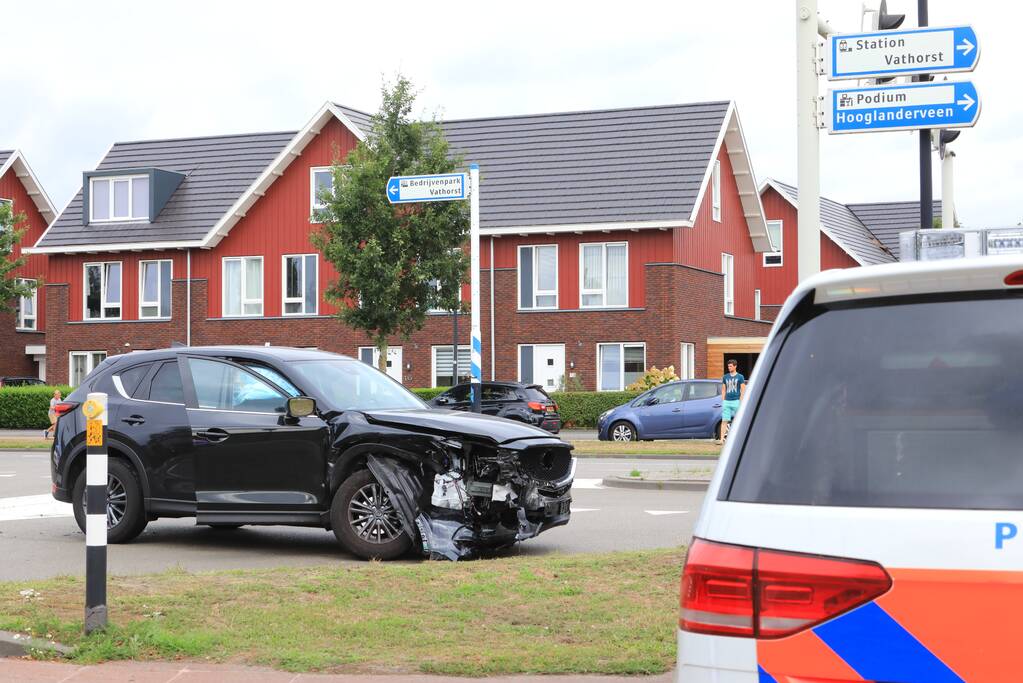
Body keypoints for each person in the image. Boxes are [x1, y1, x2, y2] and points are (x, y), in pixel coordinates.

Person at [717, 359, 745, 444]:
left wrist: (740, 401)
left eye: (730, 366)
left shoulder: (740, 377)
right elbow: (723, 389)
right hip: (727, 401)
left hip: (736, 401)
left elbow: (743, 390)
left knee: (739, 420)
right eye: (728, 366)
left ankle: (740, 439)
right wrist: (723, 400)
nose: (729, 367)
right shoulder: (725, 377)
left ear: (735, 366)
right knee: (724, 420)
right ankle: (721, 439)